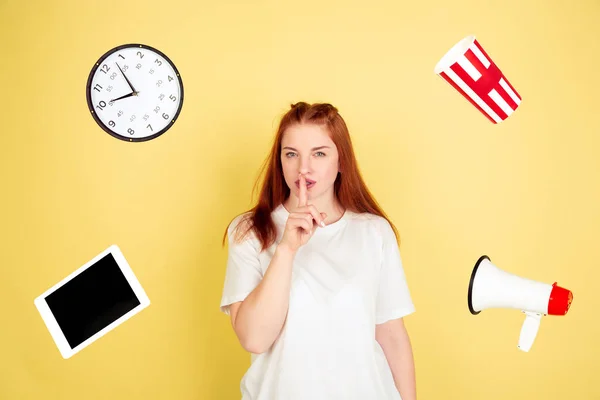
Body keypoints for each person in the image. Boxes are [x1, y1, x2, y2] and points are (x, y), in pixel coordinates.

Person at [220, 102, 417, 400]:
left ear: (341, 162)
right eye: (291, 155)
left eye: (319, 153)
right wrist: (286, 248)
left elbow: (391, 335)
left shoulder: (373, 232)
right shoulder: (250, 230)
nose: (304, 168)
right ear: (280, 162)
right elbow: (254, 338)